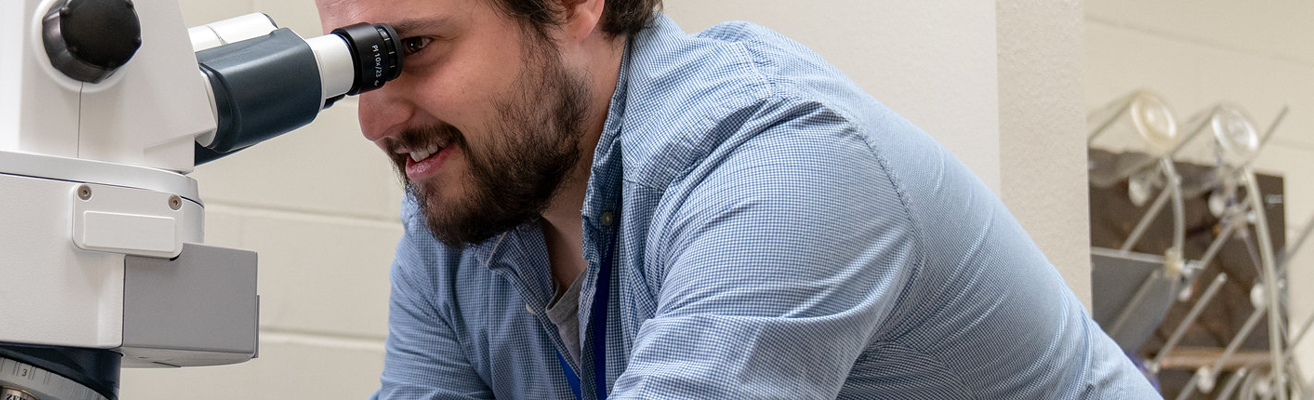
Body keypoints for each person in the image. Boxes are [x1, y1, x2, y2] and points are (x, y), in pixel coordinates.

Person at [314, 0, 1160, 398]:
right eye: (359, 71)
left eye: (412, 50)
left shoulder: (779, 162)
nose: (374, 119)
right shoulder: (460, 228)